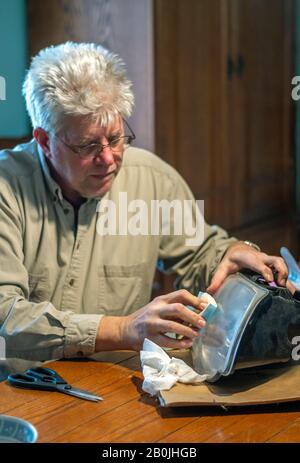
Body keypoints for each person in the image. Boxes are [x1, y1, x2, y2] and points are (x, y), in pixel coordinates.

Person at [0, 42, 287, 361]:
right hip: (17, 391)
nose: (108, 158)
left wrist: (230, 254)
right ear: (44, 141)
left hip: (114, 388)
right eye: (87, 145)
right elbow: (5, 316)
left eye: (116, 138)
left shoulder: (153, 179)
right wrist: (121, 330)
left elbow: (201, 253)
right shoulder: (6, 189)